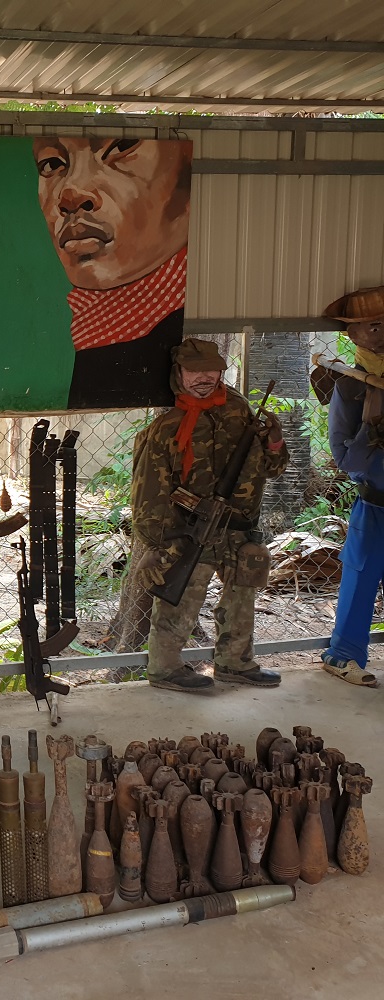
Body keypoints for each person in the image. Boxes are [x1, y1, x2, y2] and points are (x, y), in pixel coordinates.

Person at [131, 338, 289, 693]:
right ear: (179, 373)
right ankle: (165, 668)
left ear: (221, 370)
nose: (203, 378)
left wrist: (275, 442)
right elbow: (148, 493)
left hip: (239, 529)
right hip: (191, 530)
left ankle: (235, 663)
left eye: (211, 370)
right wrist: (158, 543)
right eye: (194, 371)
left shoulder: (237, 410)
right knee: (182, 595)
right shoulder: (167, 427)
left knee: (243, 591)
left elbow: (270, 468)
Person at [32, 136, 193, 409]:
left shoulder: (175, 332)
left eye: (119, 149)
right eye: (51, 164)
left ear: (185, 172)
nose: (70, 193)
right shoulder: (84, 330)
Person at [318, 286, 384, 687]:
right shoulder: (349, 387)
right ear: (353, 335)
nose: (381, 334)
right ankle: (342, 656)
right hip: (375, 505)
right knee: (361, 577)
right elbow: (347, 461)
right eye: (373, 327)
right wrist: (372, 429)